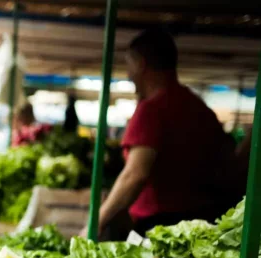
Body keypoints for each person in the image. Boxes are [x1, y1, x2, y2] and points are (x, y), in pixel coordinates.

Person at [82, 29, 245, 237]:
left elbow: (135, 174)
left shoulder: (152, 110)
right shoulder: (199, 108)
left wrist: (96, 222)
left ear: (141, 64)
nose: (128, 74)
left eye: (129, 65)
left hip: (161, 228)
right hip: (205, 223)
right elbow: (228, 163)